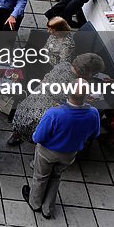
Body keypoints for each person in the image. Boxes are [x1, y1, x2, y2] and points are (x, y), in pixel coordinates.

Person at [23, 81, 102, 219]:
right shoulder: (93, 113)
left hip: (47, 152)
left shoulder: (54, 113)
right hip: (70, 153)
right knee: (56, 177)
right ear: (88, 95)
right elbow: (95, 134)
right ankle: (47, 209)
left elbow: (38, 137)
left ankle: (35, 203)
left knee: (40, 177)